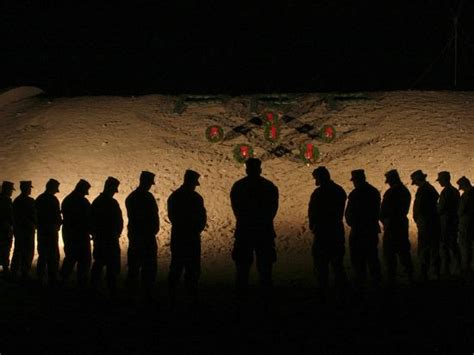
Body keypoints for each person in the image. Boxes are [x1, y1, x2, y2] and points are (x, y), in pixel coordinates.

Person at [230, 158, 278, 304]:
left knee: (242, 269)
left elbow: (236, 209)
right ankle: (265, 299)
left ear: (246, 170)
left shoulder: (239, 186)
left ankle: (241, 299)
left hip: (245, 231)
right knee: (265, 269)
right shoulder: (269, 186)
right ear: (260, 170)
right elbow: (272, 210)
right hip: (264, 231)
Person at [167, 170, 206, 308]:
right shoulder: (196, 198)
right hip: (192, 238)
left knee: (177, 268)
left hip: (179, 236)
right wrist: (195, 230)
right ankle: (191, 298)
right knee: (192, 269)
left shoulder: (175, 196)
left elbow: (173, 217)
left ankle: (172, 298)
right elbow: (202, 218)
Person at [308, 166, 347, 295]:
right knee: (337, 264)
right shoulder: (339, 190)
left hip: (323, 231)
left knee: (321, 264)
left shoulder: (319, 193)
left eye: (316, 178)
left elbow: (313, 213)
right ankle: (340, 291)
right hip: (336, 230)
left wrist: (314, 226)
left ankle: (323, 291)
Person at [126, 171, 159, 301]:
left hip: (138, 237)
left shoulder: (132, 197)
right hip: (144, 237)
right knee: (146, 268)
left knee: (136, 267)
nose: (150, 186)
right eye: (149, 183)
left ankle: (133, 294)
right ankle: (144, 295)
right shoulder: (146, 197)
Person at [345, 169, 381, 288]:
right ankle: (376, 283)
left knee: (358, 259)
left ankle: (361, 283)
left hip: (359, 230)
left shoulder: (356, 194)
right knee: (372, 257)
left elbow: (349, 213)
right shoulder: (373, 192)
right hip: (371, 229)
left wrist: (353, 223)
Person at [90, 177, 123, 296]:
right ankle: (110, 289)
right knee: (110, 265)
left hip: (102, 239)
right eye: (114, 189)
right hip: (109, 239)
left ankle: (95, 288)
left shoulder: (97, 201)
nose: (115, 192)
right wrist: (116, 233)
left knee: (100, 263)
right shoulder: (110, 202)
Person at [380, 170, 413, 286]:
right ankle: (410, 278)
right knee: (404, 253)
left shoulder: (391, 192)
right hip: (402, 225)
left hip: (392, 226)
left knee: (389, 255)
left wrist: (384, 221)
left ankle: (392, 281)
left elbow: (383, 211)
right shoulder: (405, 191)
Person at [60, 179, 92, 287]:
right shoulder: (82, 202)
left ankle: (63, 281)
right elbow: (88, 218)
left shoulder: (67, 200)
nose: (86, 193)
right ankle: (81, 283)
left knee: (70, 258)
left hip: (69, 234)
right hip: (80, 235)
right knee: (84, 260)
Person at [411, 169, 441, 281]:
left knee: (425, 247)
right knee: (433, 247)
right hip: (431, 222)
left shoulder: (424, 190)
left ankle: (426, 273)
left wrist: (418, 218)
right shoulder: (430, 189)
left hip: (426, 223)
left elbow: (420, 207)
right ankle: (435, 272)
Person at [36, 179, 62, 286]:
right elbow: (57, 215)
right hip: (51, 230)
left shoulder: (39, 198)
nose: (57, 190)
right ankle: (52, 278)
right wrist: (58, 224)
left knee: (42, 254)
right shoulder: (53, 199)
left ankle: (40, 278)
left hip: (42, 230)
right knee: (53, 255)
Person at [11, 181, 37, 281]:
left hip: (20, 230)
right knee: (27, 252)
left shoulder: (17, 200)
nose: (30, 190)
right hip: (27, 230)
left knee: (18, 251)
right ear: (26, 189)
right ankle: (24, 272)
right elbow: (33, 215)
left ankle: (15, 272)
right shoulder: (29, 201)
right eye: (29, 188)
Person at [436, 171, 461, 276]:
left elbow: (442, 208)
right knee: (453, 244)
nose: (439, 182)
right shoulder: (455, 191)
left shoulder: (446, 192)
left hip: (446, 222)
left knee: (446, 245)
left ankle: (447, 269)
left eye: (440, 180)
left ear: (444, 179)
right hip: (453, 221)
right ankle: (457, 267)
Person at [457, 176, 474, 278]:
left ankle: (466, 269)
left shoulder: (466, 195)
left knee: (465, 246)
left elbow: (460, 211)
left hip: (466, 224)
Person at [0, 181, 15, 277]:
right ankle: (5, 269)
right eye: (10, 190)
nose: (11, 192)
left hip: (4, 228)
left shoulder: (4, 200)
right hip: (4, 229)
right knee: (5, 248)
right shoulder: (6, 200)